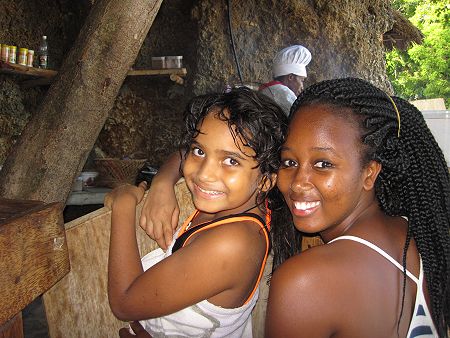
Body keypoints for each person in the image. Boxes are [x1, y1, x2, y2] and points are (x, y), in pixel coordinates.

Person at [265, 77, 450, 337]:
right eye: (289, 162)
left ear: (369, 173)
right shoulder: (418, 234)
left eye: (323, 164)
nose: (297, 183)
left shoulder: (306, 282)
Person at [106, 87, 288, 337]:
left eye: (231, 161)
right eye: (200, 152)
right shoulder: (245, 203)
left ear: (267, 181)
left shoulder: (232, 243)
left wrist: (124, 205)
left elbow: (124, 303)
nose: (204, 173)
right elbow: (182, 153)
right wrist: (162, 183)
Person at [258, 45, 312, 116]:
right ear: (290, 77)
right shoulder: (284, 93)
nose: (302, 87)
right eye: (302, 80)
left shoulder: (267, 89)